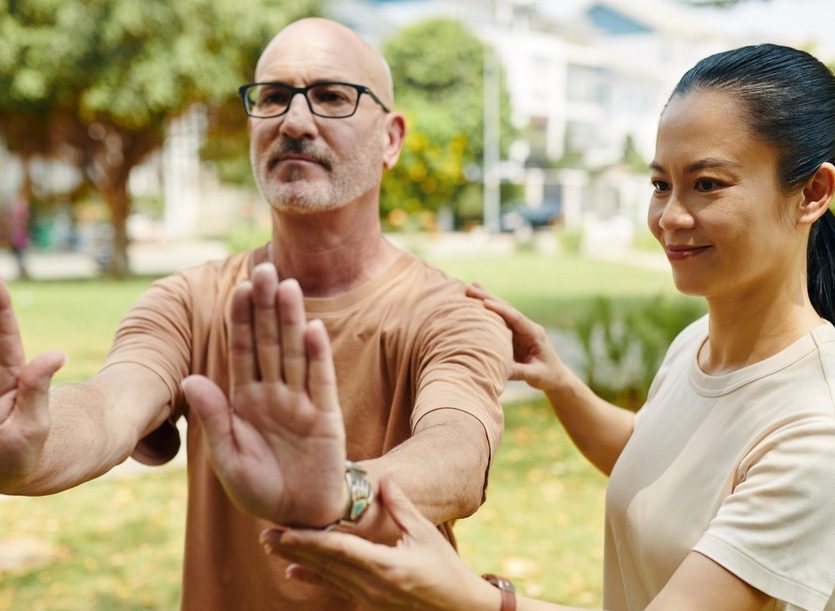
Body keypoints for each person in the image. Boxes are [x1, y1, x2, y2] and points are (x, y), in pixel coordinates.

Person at [261, 43, 835, 611]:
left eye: (707, 184)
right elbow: (666, 463)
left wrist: (470, 598)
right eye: (661, 185)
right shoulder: (698, 345)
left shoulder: (818, 429)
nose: (670, 217)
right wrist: (559, 383)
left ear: (813, 193)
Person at [0, 17, 511, 610]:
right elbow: (113, 403)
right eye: (272, 97)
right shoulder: (189, 301)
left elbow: (458, 450)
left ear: (390, 139)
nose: (294, 121)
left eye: (331, 96)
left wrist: (343, 492)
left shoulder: (451, 313)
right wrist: (31, 447)